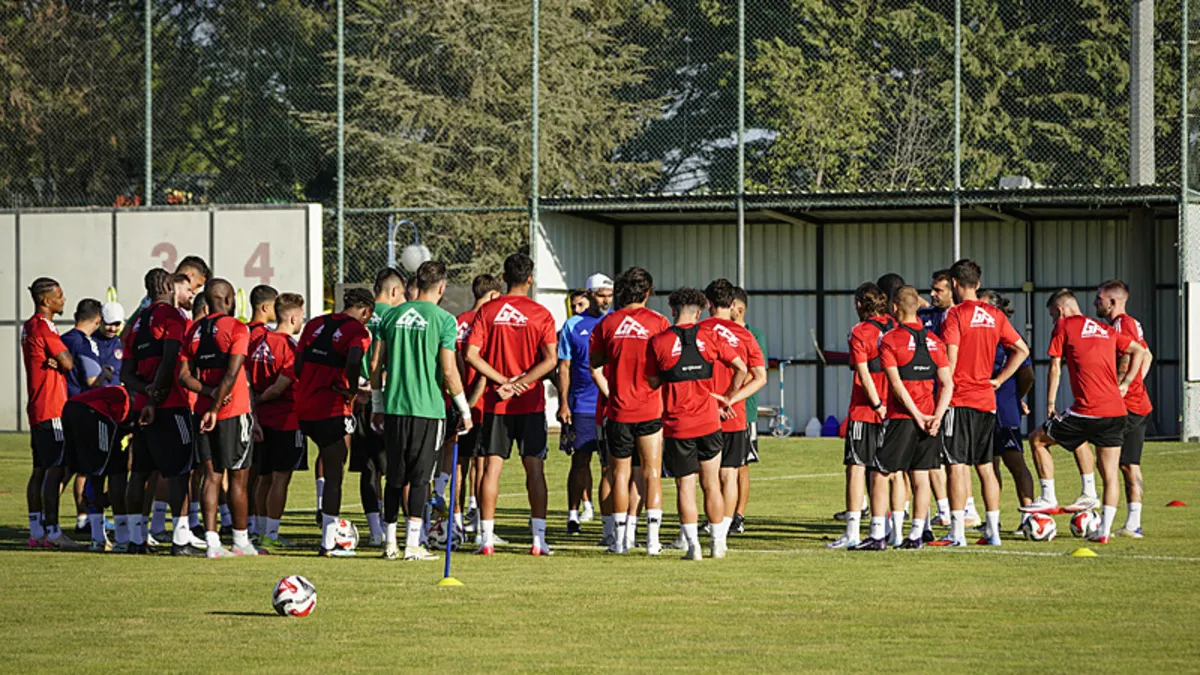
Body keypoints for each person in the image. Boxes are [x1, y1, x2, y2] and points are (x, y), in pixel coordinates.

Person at [372, 261, 472, 561]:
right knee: (420, 478)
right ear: (441, 288)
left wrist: (377, 405)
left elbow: (377, 364)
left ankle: (390, 543)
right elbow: (449, 370)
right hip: (428, 410)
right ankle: (413, 545)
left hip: (393, 407)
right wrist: (464, 410)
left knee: (394, 477)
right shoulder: (444, 319)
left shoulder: (391, 316)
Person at [647, 287, 754, 559]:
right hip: (709, 422)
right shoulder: (710, 336)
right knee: (712, 484)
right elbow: (742, 368)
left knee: (685, 486)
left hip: (677, 424)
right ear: (699, 311)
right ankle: (718, 544)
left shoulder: (658, 341)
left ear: (672, 311)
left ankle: (693, 547)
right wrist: (728, 397)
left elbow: (652, 381)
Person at [930, 259, 1030, 548]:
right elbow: (1022, 350)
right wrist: (998, 380)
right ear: (978, 283)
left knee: (957, 465)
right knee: (986, 465)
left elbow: (950, 360)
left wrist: (939, 400)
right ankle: (994, 531)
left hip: (959, 399)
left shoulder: (955, 316)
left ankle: (958, 532)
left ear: (956, 285)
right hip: (987, 401)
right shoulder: (994, 315)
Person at [464, 253, 559, 556]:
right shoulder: (541, 313)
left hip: (496, 403)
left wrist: (502, 381)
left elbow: (471, 354)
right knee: (535, 470)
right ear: (530, 279)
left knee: (491, 470)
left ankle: (487, 539)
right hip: (529, 404)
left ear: (504, 278)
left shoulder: (488, 311)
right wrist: (523, 383)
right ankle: (538, 540)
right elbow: (551, 360)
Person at [1037, 290, 1147, 543]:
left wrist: (1050, 402)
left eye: (1053, 314)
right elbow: (1139, 351)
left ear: (1061, 310)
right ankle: (1104, 531)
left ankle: (1049, 496)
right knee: (1109, 473)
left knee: (1037, 440)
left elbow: (1055, 367)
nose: (1054, 319)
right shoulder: (1102, 327)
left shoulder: (1064, 325)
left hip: (1088, 409)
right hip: (1117, 411)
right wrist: (1126, 383)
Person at [857, 286, 953, 550]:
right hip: (930, 418)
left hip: (904, 417)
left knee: (879, 472)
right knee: (920, 476)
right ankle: (916, 536)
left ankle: (877, 536)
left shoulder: (890, 339)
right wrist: (936, 415)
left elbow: (896, 384)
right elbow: (947, 384)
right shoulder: (935, 341)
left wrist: (917, 415)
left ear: (895, 308)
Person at [588, 266, 671, 555]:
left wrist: (611, 392)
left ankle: (620, 543)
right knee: (652, 473)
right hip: (650, 409)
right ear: (648, 292)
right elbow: (667, 366)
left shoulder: (607, 325)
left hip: (618, 411)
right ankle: (652, 542)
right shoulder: (660, 323)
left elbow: (595, 363)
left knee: (619, 474)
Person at [122, 269, 198, 555]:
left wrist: (145, 392)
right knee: (180, 472)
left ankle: (135, 539)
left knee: (140, 473)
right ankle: (180, 540)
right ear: (168, 285)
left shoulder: (137, 323)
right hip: (171, 405)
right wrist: (156, 396)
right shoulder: (173, 316)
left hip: (142, 406)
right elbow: (170, 359)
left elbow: (125, 374)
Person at [179, 279, 256, 558]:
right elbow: (233, 373)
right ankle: (240, 541)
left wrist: (208, 396)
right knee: (238, 478)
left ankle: (212, 544)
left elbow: (184, 376)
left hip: (201, 412)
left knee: (211, 477)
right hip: (232, 412)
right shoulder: (237, 328)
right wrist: (216, 404)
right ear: (228, 299)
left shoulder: (194, 331)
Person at [296, 287, 374, 556]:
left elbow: (298, 361)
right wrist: (352, 388)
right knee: (334, 474)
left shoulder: (316, 323)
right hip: (331, 408)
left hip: (303, 406)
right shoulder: (358, 331)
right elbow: (354, 359)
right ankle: (327, 542)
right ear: (365, 311)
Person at [700, 279, 767, 548]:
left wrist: (714, 402)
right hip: (734, 415)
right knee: (729, 475)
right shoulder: (745, 335)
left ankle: (694, 530)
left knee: (700, 477)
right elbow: (760, 377)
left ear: (707, 304)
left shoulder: (697, 331)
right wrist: (730, 400)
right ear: (733, 305)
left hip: (701, 414)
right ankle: (722, 534)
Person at [827, 282, 894, 549]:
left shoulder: (860, 332)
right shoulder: (895, 326)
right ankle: (891, 528)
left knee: (856, 467)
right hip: (896, 408)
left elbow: (863, 373)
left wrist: (876, 403)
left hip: (867, 410)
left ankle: (852, 531)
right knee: (890, 471)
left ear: (858, 305)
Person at [1094, 280, 1154, 537]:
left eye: (1100, 299)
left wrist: (1124, 385)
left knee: (1106, 458)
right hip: (1137, 402)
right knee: (1129, 464)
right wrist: (1136, 384)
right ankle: (1133, 524)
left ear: (1113, 302)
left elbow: (1133, 355)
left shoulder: (1122, 324)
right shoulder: (1130, 324)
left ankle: (1097, 511)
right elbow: (1147, 355)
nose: (1096, 302)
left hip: (1126, 407)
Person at [247, 292, 306, 551]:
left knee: (263, 477)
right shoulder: (290, 347)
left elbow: (248, 377)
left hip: (262, 421)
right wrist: (261, 400)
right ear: (293, 317)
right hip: (286, 420)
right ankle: (271, 533)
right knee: (280, 479)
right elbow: (280, 387)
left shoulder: (259, 340)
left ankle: (261, 531)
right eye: (302, 316)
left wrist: (253, 405)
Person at [353, 267, 407, 546]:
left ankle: (375, 531)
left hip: (357, 399)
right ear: (396, 291)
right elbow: (392, 360)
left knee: (369, 469)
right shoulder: (396, 317)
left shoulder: (358, 316)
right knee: (397, 468)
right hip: (387, 400)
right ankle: (402, 532)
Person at [557, 273, 613, 535]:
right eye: (601, 295)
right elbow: (564, 366)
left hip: (611, 404)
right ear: (589, 295)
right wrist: (564, 403)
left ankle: (609, 523)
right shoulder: (572, 325)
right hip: (582, 405)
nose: (606, 300)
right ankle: (572, 516)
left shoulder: (615, 322)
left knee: (609, 465)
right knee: (580, 460)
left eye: (609, 296)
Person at [22, 278, 75, 548]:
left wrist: (59, 361)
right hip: (51, 406)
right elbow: (68, 361)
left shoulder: (29, 326)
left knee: (40, 469)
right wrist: (63, 361)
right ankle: (53, 533)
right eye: (59, 296)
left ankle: (36, 531)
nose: (63, 300)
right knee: (55, 469)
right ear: (45, 301)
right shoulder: (43, 326)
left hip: (36, 406)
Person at [979, 290, 1036, 529]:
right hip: (982, 406)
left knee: (1014, 461)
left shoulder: (1009, 337)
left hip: (1004, 407)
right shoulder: (980, 335)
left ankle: (1029, 517)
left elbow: (1027, 374)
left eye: (982, 308)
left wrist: (1015, 398)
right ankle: (993, 520)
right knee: (988, 464)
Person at [452, 274, 503, 541]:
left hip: (455, 400)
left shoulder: (458, 321)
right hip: (479, 404)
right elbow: (484, 369)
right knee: (483, 464)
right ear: (493, 295)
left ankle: (456, 522)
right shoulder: (487, 322)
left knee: (458, 464)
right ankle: (483, 527)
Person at [63, 385, 135, 551]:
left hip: (72, 409)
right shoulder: (135, 402)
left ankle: (98, 538)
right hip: (95, 414)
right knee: (115, 471)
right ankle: (122, 539)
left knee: (93, 471)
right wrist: (110, 495)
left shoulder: (126, 394)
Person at [918, 269, 955, 527]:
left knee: (955, 459)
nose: (932, 294)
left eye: (938, 290)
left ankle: (964, 511)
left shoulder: (959, 317)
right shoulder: (926, 317)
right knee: (932, 458)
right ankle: (944, 511)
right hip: (929, 398)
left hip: (953, 396)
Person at [731, 286, 766, 534]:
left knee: (742, 465)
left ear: (739, 308)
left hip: (745, 411)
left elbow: (755, 372)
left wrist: (732, 394)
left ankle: (738, 516)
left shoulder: (753, 335)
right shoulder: (719, 333)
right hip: (720, 411)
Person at [61, 299, 106, 397]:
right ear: (98, 319)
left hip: (61, 398)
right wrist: (105, 373)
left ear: (75, 316)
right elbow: (93, 382)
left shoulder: (62, 339)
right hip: (80, 401)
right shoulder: (85, 343)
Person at [94, 302, 125, 385]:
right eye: (109, 324)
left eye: (117, 324)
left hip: (117, 393)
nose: (113, 328)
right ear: (100, 320)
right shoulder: (89, 341)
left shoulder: (122, 343)